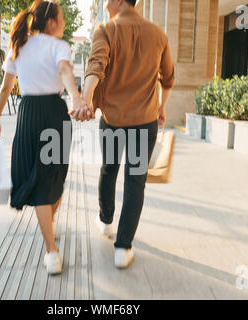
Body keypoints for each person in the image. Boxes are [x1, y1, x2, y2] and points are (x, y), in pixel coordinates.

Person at [71, 0, 175, 269]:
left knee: (109, 169)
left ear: (118, 1)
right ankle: (123, 248)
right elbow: (168, 78)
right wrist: (161, 108)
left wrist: (85, 100)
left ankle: (106, 221)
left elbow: (96, 66)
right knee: (135, 181)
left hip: (113, 120)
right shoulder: (158, 34)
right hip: (145, 121)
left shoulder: (105, 29)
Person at [0, 0, 86, 275]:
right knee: (50, 177)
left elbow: (6, 87)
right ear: (51, 22)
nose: (65, 23)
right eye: (62, 18)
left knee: (52, 177)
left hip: (29, 113)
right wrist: (77, 99)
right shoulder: (58, 46)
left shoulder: (19, 45)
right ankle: (51, 250)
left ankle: (48, 227)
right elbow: (65, 72)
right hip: (53, 114)